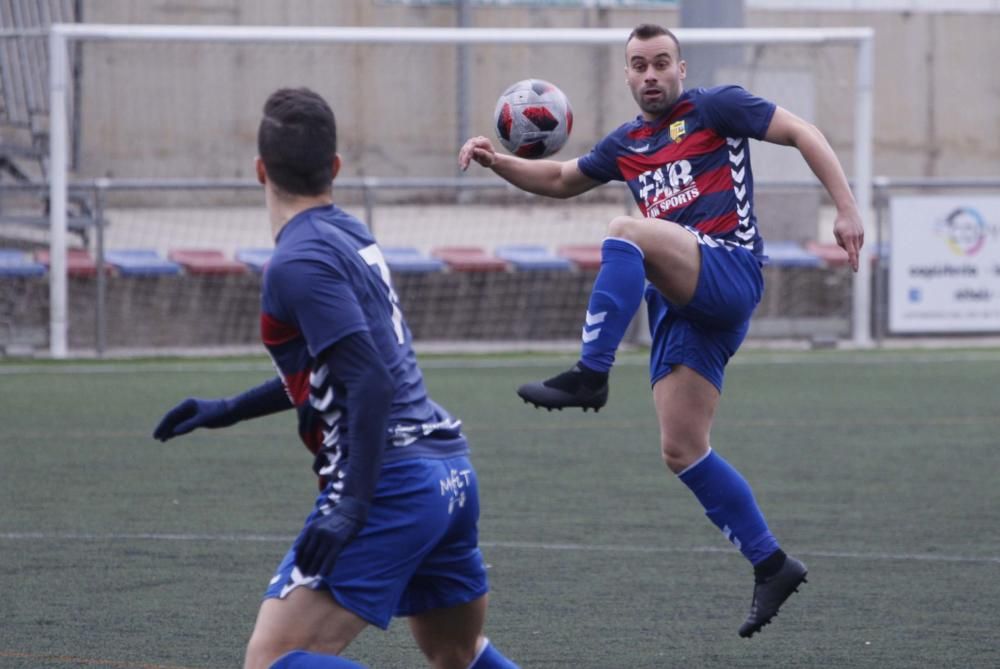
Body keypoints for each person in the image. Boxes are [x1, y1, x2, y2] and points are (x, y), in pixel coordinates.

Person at [460, 23, 864, 638]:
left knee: (625, 232)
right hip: (681, 300)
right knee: (681, 448)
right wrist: (499, 162)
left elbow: (801, 132)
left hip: (727, 268)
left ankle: (592, 374)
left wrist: (847, 206)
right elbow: (563, 180)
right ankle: (772, 563)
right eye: (638, 66)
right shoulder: (627, 142)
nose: (650, 75)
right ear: (626, 75)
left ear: (681, 67)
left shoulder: (714, 106)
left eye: (660, 63)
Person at [154, 88, 520, 669]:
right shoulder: (350, 232)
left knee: (276, 660)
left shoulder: (295, 262)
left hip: (391, 484)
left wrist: (351, 504)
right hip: (447, 472)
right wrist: (229, 408)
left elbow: (369, 380)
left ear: (259, 171)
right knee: (456, 652)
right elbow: (345, 369)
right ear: (336, 168)